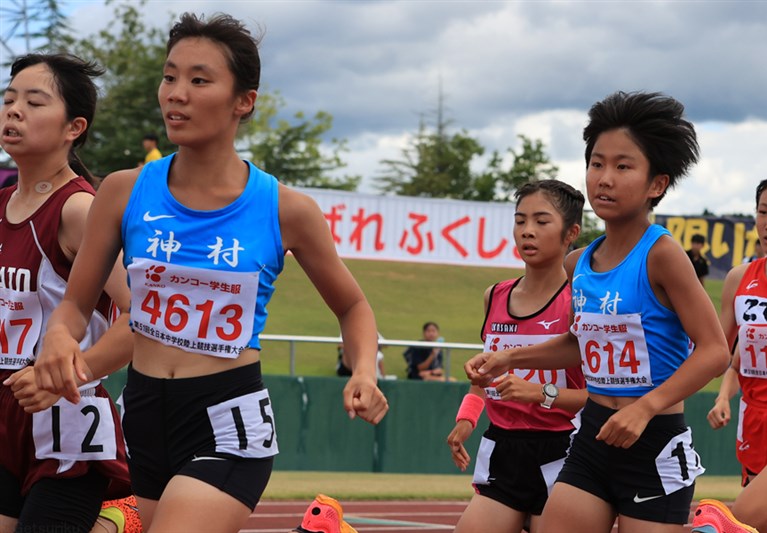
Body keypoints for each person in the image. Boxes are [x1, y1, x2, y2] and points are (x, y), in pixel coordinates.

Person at [31, 13, 388, 533]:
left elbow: (353, 306)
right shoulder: (122, 191)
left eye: (199, 80)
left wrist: (363, 371)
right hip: (145, 411)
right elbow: (75, 305)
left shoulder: (286, 209)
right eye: (169, 76)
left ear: (244, 100)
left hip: (227, 416)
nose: (176, 93)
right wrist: (60, 337)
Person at [464, 91, 732, 533]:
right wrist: (509, 358)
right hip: (592, 438)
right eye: (596, 163)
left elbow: (714, 351)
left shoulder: (662, 255)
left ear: (656, 184)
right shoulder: (579, 263)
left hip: (653, 443)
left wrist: (645, 408)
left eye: (623, 166)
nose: (604, 178)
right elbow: (578, 343)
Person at [0, 53, 133, 532]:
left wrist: (64, 372)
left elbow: (147, 316)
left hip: (65, 424)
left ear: (73, 127)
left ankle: (120, 521)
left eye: (34, 102)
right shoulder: (0, 204)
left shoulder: (78, 210)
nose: (13, 110)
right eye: (9, 98)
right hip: (5, 418)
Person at [446, 180, 588, 533]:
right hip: (504, 450)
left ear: (571, 232)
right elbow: (484, 382)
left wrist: (539, 394)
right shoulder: (493, 296)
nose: (527, 231)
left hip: (565, 453)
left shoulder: (579, 301)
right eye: (520, 220)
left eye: (541, 221)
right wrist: (466, 420)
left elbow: (599, 398)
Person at [694, 174, 767, 533]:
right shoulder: (739, 280)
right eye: (762, 212)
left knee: (736, 518)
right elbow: (722, 353)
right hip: (756, 420)